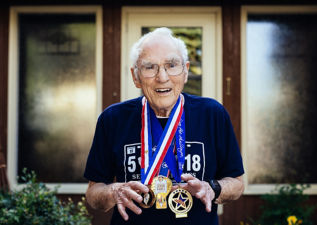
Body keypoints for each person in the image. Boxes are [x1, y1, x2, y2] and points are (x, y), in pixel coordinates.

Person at [84, 27, 244, 225]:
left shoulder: (212, 114)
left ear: (185, 72)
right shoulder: (112, 119)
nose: (162, 77)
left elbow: (237, 183)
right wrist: (114, 191)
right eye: (150, 67)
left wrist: (212, 188)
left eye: (171, 65)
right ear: (135, 77)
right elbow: (93, 192)